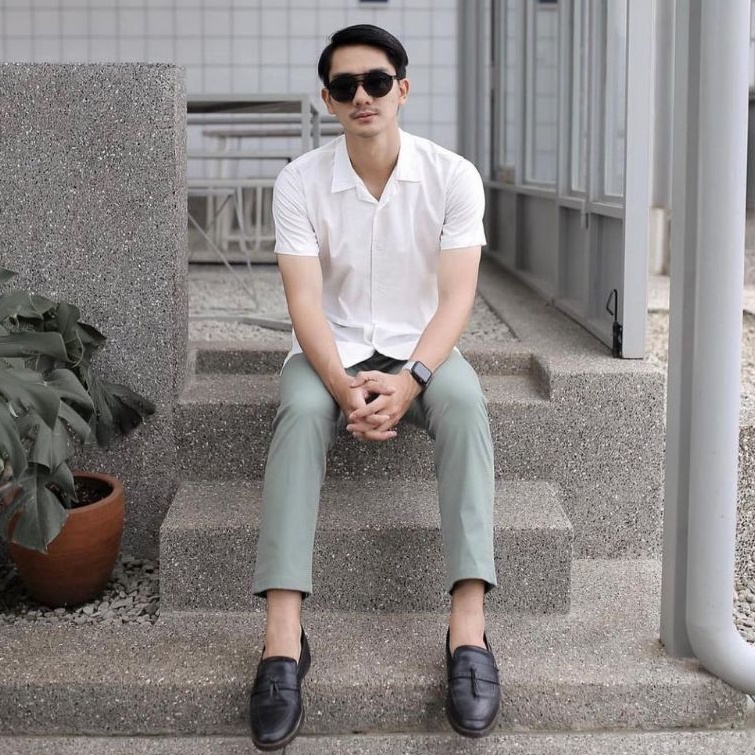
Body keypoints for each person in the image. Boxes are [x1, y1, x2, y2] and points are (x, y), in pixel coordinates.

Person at [248, 24, 500, 751]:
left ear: (403, 89)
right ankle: (282, 639)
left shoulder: (453, 176)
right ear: (327, 99)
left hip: (422, 348)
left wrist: (413, 380)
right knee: (300, 413)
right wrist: (339, 386)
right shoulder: (299, 181)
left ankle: (468, 629)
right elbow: (303, 301)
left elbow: (457, 297)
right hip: (331, 348)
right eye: (345, 85)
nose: (363, 96)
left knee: (465, 404)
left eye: (377, 81)